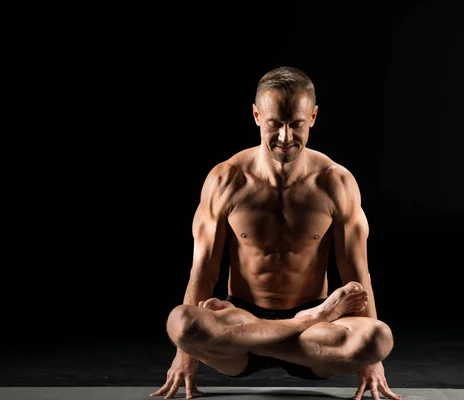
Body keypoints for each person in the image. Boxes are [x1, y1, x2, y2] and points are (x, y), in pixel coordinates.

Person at [151, 66, 401, 400]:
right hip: (243, 322)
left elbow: (356, 271)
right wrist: (185, 353)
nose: (285, 137)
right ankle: (294, 327)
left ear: (312, 117)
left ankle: (291, 329)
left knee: (378, 340)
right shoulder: (226, 180)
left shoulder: (336, 183)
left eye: (296, 124)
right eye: (274, 124)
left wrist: (371, 362)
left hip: (314, 334)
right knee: (180, 324)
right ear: (256, 116)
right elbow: (204, 269)